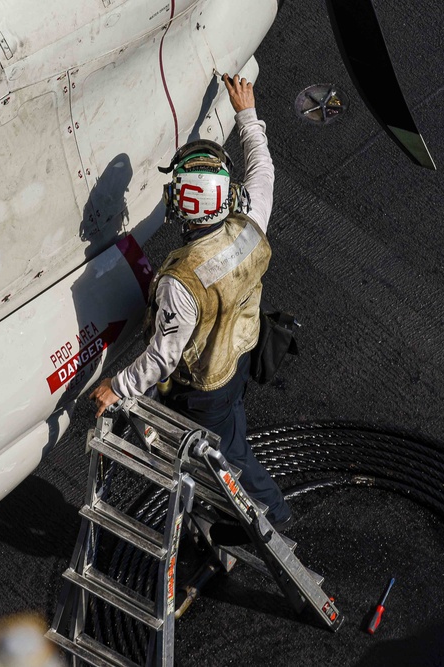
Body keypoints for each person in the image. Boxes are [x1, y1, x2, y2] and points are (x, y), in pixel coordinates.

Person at [89, 73, 291, 529]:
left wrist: (117, 386)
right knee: (231, 427)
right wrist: (248, 114)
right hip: (239, 356)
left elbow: (163, 356)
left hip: (206, 386)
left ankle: (270, 517)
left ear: (181, 205)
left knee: (229, 453)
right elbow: (262, 171)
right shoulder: (249, 225)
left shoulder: (178, 283)